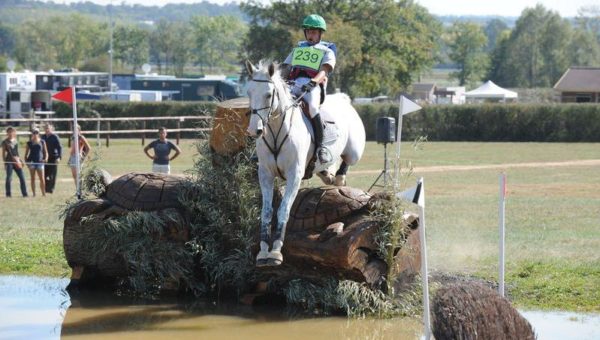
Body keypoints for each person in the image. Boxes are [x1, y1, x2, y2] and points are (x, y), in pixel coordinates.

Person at [281, 14, 336, 163]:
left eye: (314, 32)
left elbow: (324, 71)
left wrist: (313, 82)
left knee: (312, 107)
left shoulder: (327, 50)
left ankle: (321, 147)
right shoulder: (298, 49)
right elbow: (285, 68)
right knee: (277, 104)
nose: (311, 35)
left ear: (320, 33)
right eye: (309, 32)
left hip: (313, 86)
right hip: (294, 84)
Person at [1, 126, 28, 197]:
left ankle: (25, 193)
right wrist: (5, 163)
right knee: (9, 178)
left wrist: (20, 160)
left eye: (12, 131)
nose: (11, 133)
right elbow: (3, 154)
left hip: (17, 161)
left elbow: (16, 152)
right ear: (7, 133)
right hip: (9, 162)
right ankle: (8, 194)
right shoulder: (4, 142)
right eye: (9, 132)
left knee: (22, 177)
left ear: (14, 132)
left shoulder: (15, 141)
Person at [24, 128, 48, 197]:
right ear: (32, 134)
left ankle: (43, 193)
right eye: (34, 132)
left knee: (42, 178)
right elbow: (26, 154)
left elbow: (46, 152)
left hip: (40, 162)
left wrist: (46, 158)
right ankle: (34, 194)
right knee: (33, 178)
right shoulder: (29, 143)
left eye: (36, 132)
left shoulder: (42, 142)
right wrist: (27, 163)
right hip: (31, 162)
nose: (35, 134)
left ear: (38, 133)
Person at [41, 123, 62, 194]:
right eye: (45, 128)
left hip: (53, 158)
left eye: (48, 128)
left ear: (51, 129)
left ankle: (51, 189)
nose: (47, 130)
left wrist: (59, 157)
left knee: (52, 174)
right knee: (44, 174)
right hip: (44, 158)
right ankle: (46, 188)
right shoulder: (42, 137)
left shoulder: (55, 137)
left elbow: (59, 148)